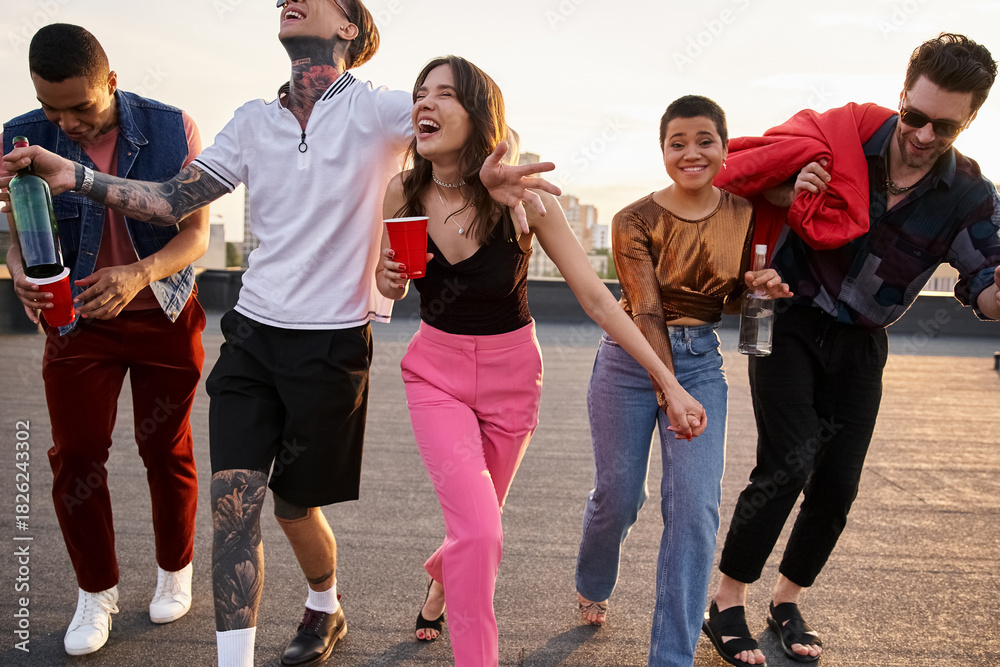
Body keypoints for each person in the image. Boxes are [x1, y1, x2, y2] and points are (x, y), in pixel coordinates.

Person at [1, 5, 557, 666]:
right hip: (252, 335)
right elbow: (174, 199)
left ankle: (325, 601)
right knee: (234, 505)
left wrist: (502, 166)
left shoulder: (379, 109)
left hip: (332, 343)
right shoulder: (251, 121)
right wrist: (80, 178)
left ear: (347, 27)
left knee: (295, 508)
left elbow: (487, 126)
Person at [375, 56, 709, 667]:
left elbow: (601, 303)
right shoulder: (402, 191)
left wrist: (670, 383)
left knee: (476, 528)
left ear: (479, 116)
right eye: (421, 92)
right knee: (480, 532)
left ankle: (440, 578)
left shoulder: (522, 200)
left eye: (445, 94)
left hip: (512, 382)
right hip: (435, 375)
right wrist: (387, 275)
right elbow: (388, 286)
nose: (425, 103)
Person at [703, 33, 1000, 666]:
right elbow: (746, 181)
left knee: (837, 484)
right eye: (915, 117)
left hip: (864, 338)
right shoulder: (839, 142)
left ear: (970, 119)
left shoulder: (970, 194)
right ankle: (725, 601)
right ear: (902, 95)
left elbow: (985, 290)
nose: (922, 135)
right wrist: (792, 190)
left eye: (943, 126)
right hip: (779, 313)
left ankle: (786, 600)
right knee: (786, 463)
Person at [1, 24, 208, 656]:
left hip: (164, 313)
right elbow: (16, 235)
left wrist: (138, 273)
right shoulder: (18, 136)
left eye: (81, 107)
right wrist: (18, 275)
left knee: (165, 450)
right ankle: (96, 593)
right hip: (76, 322)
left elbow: (195, 236)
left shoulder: (173, 127)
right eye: (50, 107)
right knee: (76, 456)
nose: (66, 123)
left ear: (110, 83)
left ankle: (176, 571)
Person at [571, 95, 792, 667]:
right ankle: (594, 578)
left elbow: (737, 308)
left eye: (704, 140)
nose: (691, 152)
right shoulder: (633, 220)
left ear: (723, 145)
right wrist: (669, 389)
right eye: (677, 142)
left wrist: (758, 290)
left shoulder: (744, 214)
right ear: (663, 151)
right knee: (617, 497)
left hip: (701, 362)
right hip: (629, 359)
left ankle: (672, 658)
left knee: (694, 510)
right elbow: (644, 312)